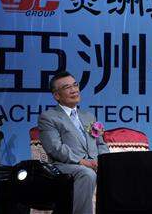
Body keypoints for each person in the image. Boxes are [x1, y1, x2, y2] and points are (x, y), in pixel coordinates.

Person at [38, 71, 109, 214]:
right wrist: (82, 162)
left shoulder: (89, 116)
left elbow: (100, 144)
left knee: (120, 171)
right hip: (65, 165)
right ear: (56, 95)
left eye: (75, 85)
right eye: (67, 87)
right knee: (87, 174)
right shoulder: (49, 117)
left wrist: (104, 162)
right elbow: (55, 148)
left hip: (93, 164)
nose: (74, 90)